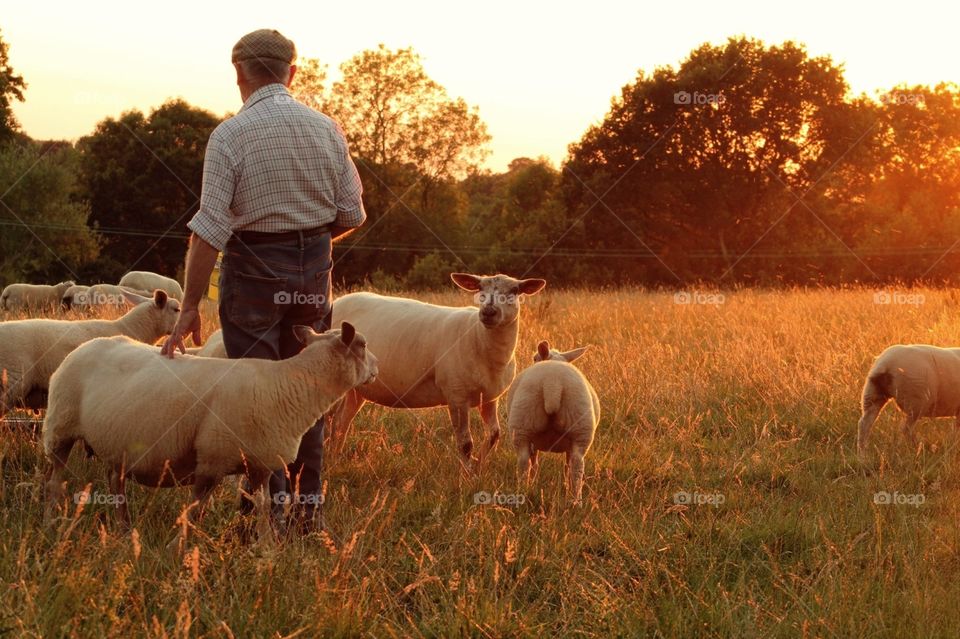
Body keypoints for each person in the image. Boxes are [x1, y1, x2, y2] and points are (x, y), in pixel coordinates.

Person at [161, 28, 366, 534]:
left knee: (258, 398)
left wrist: (190, 306)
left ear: (238, 75)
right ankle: (308, 512)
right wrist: (310, 246)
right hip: (312, 272)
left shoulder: (229, 136)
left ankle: (270, 513)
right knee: (309, 391)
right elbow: (352, 212)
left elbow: (209, 230)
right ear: (292, 72)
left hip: (251, 273)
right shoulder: (327, 130)